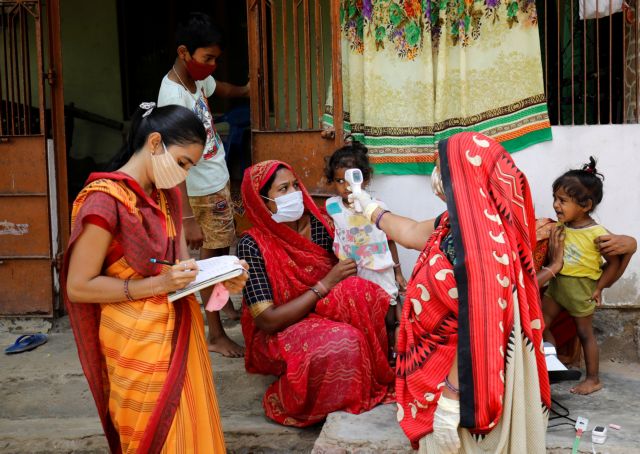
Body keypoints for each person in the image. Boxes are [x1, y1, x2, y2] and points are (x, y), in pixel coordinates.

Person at [62, 103, 248, 453]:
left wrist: (223, 281)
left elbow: (183, 269)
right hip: (133, 341)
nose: (183, 175)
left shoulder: (168, 197)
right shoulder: (103, 201)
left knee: (189, 433)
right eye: (182, 162)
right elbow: (78, 286)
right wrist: (158, 285)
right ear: (155, 142)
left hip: (179, 329)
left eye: (189, 167)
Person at [350, 132, 550, 453]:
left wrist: (451, 397)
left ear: (464, 175)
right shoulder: (456, 224)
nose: (437, 175)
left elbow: (478, 327)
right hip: (438, 367)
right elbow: (411, 232)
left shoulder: (482, 247)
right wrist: (371, 209)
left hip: (464, 380)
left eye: (441, 166)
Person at [236, 160, 395, 427]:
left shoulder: (319, 225)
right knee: (345, 341)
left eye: (295, 185)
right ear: (262, 202)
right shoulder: (252, 244)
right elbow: (267, 320)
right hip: (282, 327)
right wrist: (325, 284)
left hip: (321, 308)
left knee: (361, 291)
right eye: (283, 189)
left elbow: (369, 246)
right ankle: (297, 396)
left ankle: (373, 372)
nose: (294, 193)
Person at [158, 12, 249, 358]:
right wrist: (186, 218)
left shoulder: (196, 82)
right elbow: (171, 159)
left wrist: (245, 91)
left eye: (215, 59)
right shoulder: (173, 96)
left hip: (215, 179)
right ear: (184, 52)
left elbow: (218, 88)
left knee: (223, 250)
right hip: (199, 192)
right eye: (206, 58)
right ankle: (215, 333)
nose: (211, 66)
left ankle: (222, 304)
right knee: (212, 259)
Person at [541, 158, 622, 395]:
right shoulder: (560, 227)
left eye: (562, 201)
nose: (556, 205)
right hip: (557, 287)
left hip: (581, 290)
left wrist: (599, 288)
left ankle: (593, 379)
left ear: (585, 205)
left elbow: (614, 263)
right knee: (538, 323)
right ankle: (550, 361)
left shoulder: (597, 233)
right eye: (555, 198)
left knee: (585, 334)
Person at [323, 141, 406, 360]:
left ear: (364, 179)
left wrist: (397, 272)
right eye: (340, 181)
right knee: (361, 314)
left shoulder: (376, 206)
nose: (346, 186)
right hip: (352, 272)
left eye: (351, 180)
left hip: (380, 269)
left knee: (387, 314)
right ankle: (368, 353)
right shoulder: (332, 207)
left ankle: (390, 351)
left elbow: (390, 239)